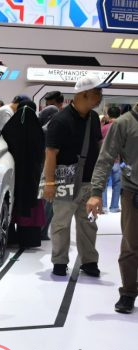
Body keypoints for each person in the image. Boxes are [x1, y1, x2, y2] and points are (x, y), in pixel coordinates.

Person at [43, 75, 107, 277]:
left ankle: (89, 260)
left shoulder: (94, 119)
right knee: (61, 223)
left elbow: (97, 146)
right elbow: (50, 153)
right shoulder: (60, 120)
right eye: (97, 92)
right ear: (84, 94)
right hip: (65, 183)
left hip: (88, 183)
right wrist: (50, 183)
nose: (100, 97)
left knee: (89, 223)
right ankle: (59, 261)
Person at [87, 103, 138, 313]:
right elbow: (106, 157)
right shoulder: (124, 123)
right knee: (131, 245)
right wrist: (96, 192)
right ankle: (128, 292)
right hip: (133, 193)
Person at [2, 100, 45, 248]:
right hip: (32, 175)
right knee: (31, 206)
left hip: (12, 173)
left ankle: (9, 237)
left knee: (10, 203)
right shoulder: (37, 129)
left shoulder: (9, 127)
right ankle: (29, 239)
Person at [38, 92, 65, 241]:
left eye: (51, 104)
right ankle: (41, 230)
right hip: (47, 163)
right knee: (48, 198)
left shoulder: (60, 118)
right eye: (47, 104)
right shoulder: (54, 117)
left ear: (60, 104)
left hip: (52, 163)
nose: (48, 108)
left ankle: (41, 230)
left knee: (48, 198)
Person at [101, 106, 122, 213]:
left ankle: (104, 206)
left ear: (108, 115)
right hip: (117, 160)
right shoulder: (122, 127)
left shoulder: (103, 128)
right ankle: (114, 207)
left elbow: (99, 144)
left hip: (105, 160)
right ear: (120, 114)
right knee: (117, 184)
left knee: (103, 184)